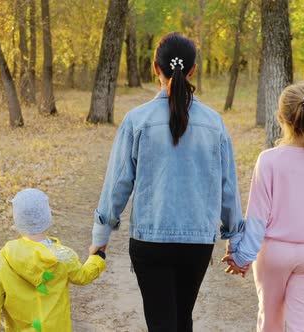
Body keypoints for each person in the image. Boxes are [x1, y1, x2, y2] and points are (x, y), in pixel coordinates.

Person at [89, 32, 244, 332]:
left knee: (162, 323)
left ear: (154, 67)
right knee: (181, 319)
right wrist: (235, 238)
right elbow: (227, 186)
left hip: (151, 241)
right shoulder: (214, 123)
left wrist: (101, 236)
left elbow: (118, 183)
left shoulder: (137, 120)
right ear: (193, 71)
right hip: (197, 243)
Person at [223, 84, 304, 332]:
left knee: (270, 321)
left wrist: (242, 256)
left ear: (280, 117)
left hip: (274, 254)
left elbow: (258, 217)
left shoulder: (269, 160)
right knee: (303, 325)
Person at [0, 188, 106, 332]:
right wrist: (97, 258)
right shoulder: (62, 256)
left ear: (17, 220)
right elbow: (83, 276)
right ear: (48, 217)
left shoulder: (6, 257)